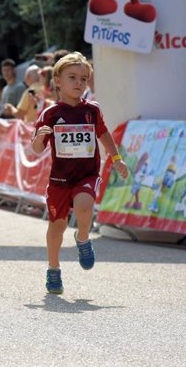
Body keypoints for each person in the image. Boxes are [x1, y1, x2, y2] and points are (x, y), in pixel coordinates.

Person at [29, 52, 128, 295]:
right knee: (57, 227)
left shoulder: (92, 110)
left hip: (87, 174)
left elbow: (104, 134)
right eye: (72, 77)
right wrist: (39, 139)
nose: (79, 83)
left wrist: (116, 158)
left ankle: (83, 238)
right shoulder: (50, 114)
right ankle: (53, 269)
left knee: (85, 205)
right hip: (60, 179)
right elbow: (37, 148)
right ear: (58, 81)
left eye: (84, 79)